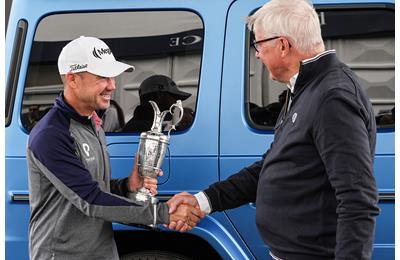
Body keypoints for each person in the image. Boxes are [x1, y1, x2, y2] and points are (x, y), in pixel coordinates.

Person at [167, 0, 380, 259]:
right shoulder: (304, 89)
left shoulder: (332, 98)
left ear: (282, 45)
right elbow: (272, 165)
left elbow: (358, 198)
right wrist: (204, 201)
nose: (256, 54)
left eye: (259, 44)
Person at [27, 36, 202, 260]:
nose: (112, 85)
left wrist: (128, 185)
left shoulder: (92, 123)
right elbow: (90, 200)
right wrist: (164, 213)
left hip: (102, 252)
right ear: (72, 79)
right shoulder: (50, 134)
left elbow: (92, 188)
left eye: (112, 76)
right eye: (102, 77)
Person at [122, 74, 193, 132]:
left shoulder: (134, 125)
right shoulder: (147, 128)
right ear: (160, 95)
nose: (176, 102)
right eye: (174, 97)